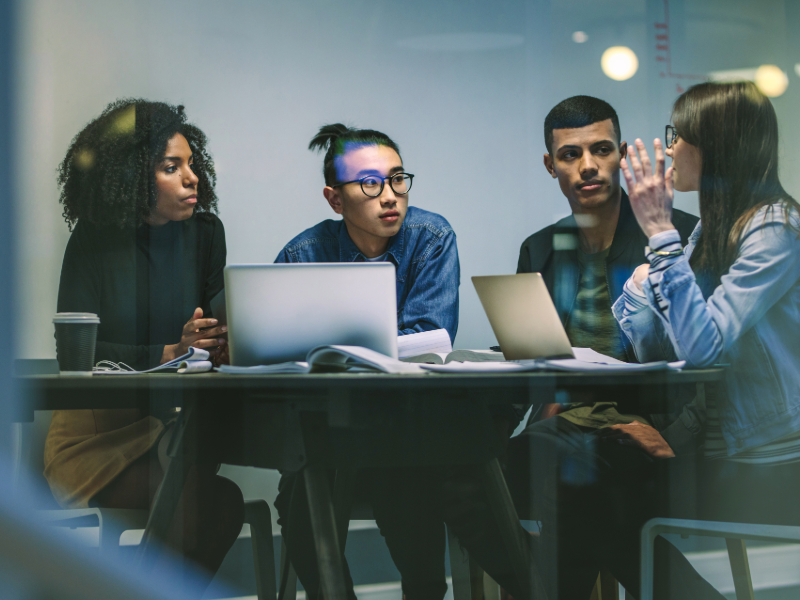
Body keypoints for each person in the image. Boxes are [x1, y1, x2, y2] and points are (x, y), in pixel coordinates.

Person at [274, 124, 530, 600]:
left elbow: (428, 337)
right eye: (370, 183)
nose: (389, 195)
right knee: (297, 495)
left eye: (397, 179)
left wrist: (336, 350)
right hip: (332, 426)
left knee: (407, 476)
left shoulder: (429, 236)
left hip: (413, 421)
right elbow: (278, 349)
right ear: (335, 199)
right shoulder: (304, 253)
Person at [504, 96, 718, 598]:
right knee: (474, 477)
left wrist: (677, 432)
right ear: (549, 165)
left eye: (601, 150)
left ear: (621, 154)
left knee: (577, 488)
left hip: (653, 432)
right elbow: (529, 363)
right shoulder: (540, 248)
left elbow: (714, 351)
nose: (588, 166)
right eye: (570, 155)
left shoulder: (678, 234)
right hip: (562, 435)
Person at [43, 99, 244, 593]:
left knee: (215, 496)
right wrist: (168, 353)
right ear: (132, 178)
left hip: (174, 423)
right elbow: (77, 351)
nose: (191, 178)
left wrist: (214, 341)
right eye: (171, 167)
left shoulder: (206, 233)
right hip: (95, 436)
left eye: (192, 165)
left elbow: (214, 327)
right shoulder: (94, 238)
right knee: (204, 502)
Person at [611, 80, 800, 597]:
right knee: (591, 488)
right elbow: (664, 350)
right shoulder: (715, 228)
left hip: (775, 461)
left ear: (715, 145)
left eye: (680, 135)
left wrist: (657, 232)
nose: (670, 148)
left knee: (608, 506)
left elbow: (700, 350)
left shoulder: (775, 230)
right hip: (722, 445)